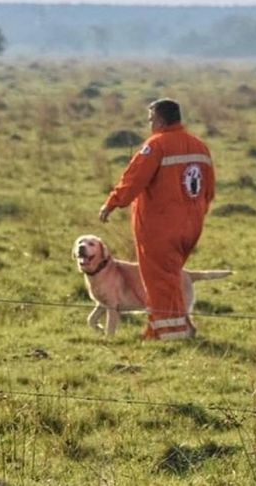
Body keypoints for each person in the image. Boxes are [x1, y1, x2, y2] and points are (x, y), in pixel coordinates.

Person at [99, 98, 215, 340]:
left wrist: (112, 202)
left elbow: (134, 179)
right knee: (171, 276)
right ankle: (176, 328)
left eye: (151, 119)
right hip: (191, 226)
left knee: (159, 279)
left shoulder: (156, 145)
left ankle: (167, 333)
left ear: (160, 120)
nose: (150, 124)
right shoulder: (200, 146)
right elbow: (209, 189)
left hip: (161, 228)